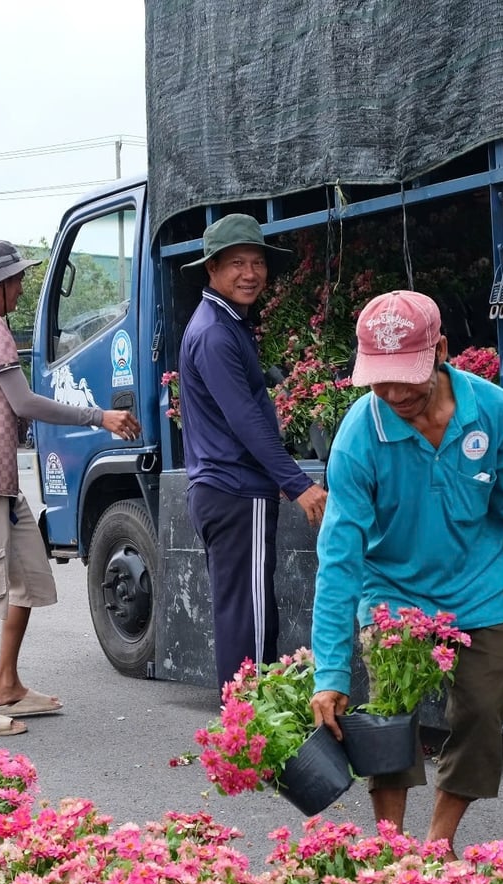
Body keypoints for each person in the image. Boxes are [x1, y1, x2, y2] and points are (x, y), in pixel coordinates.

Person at [309, 290, 503, 855]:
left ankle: (438, 845)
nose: (391, 395)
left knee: (484, 715)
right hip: (393, 596)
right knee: (387, 723)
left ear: (440, 351)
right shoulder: (358, 437)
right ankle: (391, 851)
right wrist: (331, 674)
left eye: (405, 378)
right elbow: (339, 559)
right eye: (378, 381)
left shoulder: (493, 412)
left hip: (476, 590)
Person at [0, 238, 141, 739]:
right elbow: (24, 402)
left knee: (27, 579)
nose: (23, 288)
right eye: (19, 280)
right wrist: (100, 417)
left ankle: (5, 686)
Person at [177, 214, 330, 683]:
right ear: (212, 270)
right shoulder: (216, 333)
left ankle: (242, 729)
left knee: (241, 613)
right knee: (252, 621)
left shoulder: (221, 323)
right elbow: (244, 419)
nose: (250, 273)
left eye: (258, 262)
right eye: (237, 263)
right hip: (238, 491)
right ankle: (251, 726)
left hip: (223, 489)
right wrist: (298, 483)